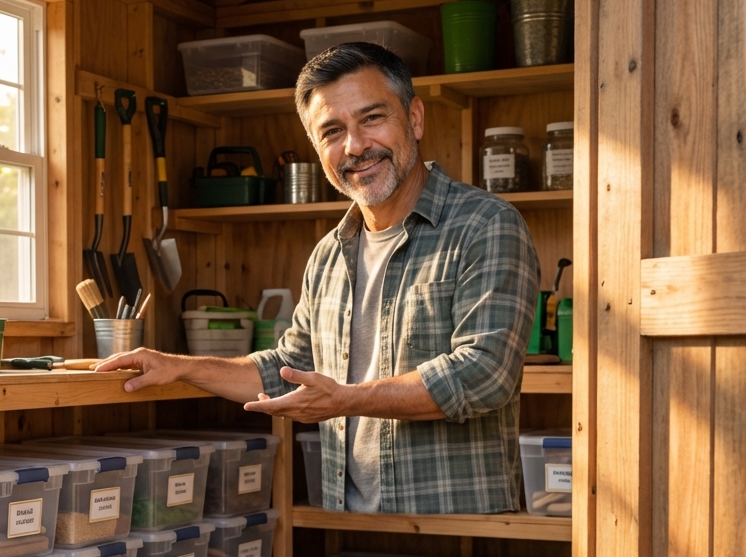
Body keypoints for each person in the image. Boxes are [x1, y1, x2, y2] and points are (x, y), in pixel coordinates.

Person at [96, 42, 540, 515]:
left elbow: (485, 373)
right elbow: (287, 366)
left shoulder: (486, 224)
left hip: (455, 531)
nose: (354, 146)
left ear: (414, 118)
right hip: (344, 529)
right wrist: (181, 367)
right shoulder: (330, 253)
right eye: (332, 131)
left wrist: (345, 400)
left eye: (372, 118)